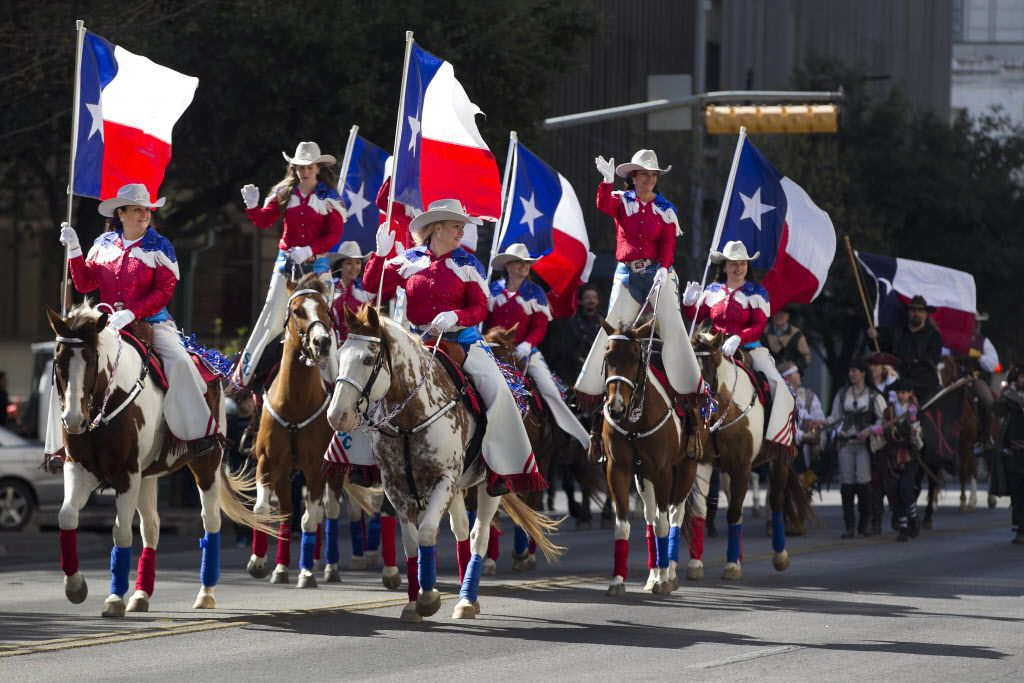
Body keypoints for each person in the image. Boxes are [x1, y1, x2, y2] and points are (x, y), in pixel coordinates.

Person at [364, 198, 543, 494]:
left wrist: (456, 316)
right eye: (456, 226)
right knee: (371, 387)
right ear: (436, 229)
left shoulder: (468, 263)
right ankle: (364, 463)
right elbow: (373, 286)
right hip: (418, 342)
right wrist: (379, 256)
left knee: (499, 391)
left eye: (462, 226)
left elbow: (480, 309)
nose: (461, 231)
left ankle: (502, 469)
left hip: (463, 341)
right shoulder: (409, 259)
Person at [49, 183, 219, 459]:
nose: (145, 214)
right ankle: (59, 446)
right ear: (121, 213)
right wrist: (75, 251)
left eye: (148, 209)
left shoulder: (160, 246)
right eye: (138, 209)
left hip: (152, 323)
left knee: (180, 361)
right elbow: (84, 283)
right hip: (107, 326)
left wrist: (133, 312)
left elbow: (165, 291)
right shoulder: (102, 244)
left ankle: (198, 435)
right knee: (66, 363)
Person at [575, 149, 698, 403]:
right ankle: (592, 391)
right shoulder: (622, 200)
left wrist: (664, 268)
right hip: (628, 273)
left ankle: (689, 391)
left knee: (673, 326)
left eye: (653, 175)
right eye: (644, 174)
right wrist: (607, 182)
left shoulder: (666, 209)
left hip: (657, 271)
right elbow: (603, 204)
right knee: (613, 326)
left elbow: (668, 245)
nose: (649, 179)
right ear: (633, 176)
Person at [234, 141, 344, 387]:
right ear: (294, 168)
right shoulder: (284, 192)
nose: (305, 171)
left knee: (324, 322)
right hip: (286, 265)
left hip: (317, 267)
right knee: (270, 319)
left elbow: (335, 234)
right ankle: (241, 380)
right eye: (300, 167)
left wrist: (310, 250)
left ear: (318, 168)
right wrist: (253, 207)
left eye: (310, 167)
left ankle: (335, 385)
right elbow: (264, 221)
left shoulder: (329, 197)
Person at [683, 241, 797, 458]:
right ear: (724, 266)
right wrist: (689, 303)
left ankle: (776, 440)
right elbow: (695, 317)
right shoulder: (712, 290)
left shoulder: (757, 292)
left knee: (779, 387)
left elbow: (759, 325)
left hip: (749, 348)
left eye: (742, 263)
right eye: (734, 264)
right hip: (713, 348)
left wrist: (738, 337)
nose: (739, 268)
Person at [485, 243, 590, 451]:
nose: (524, 267)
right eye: (519, 262)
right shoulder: (492, 289)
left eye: (527, 263)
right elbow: (485, 320)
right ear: (508, 265)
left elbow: (540, 326)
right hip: (494, 351)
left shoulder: (536, 292)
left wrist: (526, 344)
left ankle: (579, 440)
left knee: (550, 390)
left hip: (526, 351)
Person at [828, 358, 886, 538]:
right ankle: (849, 525)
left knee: (864, 482)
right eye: (850, 371)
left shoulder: (873, 395)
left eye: (855, 371)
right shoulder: (842, 394)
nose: (852, 374)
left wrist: (870, 430)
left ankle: (865, 522)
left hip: (864, 446)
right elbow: (834, 417)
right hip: (846, 442)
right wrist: (822, 424)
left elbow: (885, 419)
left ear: (863, 373)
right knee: (846, 483)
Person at [871, 295, 942, 402]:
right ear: (908, 312)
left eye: (920, 310)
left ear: (926, 314)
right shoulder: (897, 331)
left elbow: (933, 360)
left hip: (920, 380)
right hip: (894, 376)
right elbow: (879, 348)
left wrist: (913, 366)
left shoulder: (933, 336)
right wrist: (873, 336)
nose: (916, 313)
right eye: (913, 310)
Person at [879, 379, 923, 542]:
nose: (901, 395)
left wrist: (913, 422)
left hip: (909, 455)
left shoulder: (913, 409)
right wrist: (873, 431)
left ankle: (913, 517)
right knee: (894, 491)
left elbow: (917, 429)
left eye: (904, 392)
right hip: (892, 455)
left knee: (905, 488)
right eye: (898, 393)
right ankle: (903, 527)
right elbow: (881, 426)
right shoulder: (889, 411)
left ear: (909, 393)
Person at [992, 365, 1024, 544]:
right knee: (1017, 491)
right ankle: (1020, 526)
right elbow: (996, 410)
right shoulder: (1010, 397)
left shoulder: (984, 345)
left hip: (980, 375)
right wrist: (1003, 394)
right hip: (1014, 452)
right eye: (1022, 377)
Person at [547, 284, 601, 386]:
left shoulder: (603, 322)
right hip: (576, 371)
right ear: (581, 301)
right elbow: (567, 350)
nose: (591, 301)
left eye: (594, 298)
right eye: (587, 298)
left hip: (597, 370)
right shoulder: (572, 323)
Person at [778, 361, 825, 475]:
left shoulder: (795, 395)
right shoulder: (781, 396)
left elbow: (801, 414)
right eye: (796, 372)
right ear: (788, 377)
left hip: (798, 450)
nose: (799, 374)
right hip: (784, 451)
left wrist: (812, 423)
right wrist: (803, 436)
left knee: (803, 484)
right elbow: (783, 425)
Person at [329, 241, 375, 343]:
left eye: (358, 263)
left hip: (359, 346)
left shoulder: (365, 290)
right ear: (340, 266)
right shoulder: (330, 289)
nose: (354, 267)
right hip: (333, 346)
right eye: (349, 263)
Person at [969, 312, 999, 447]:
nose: (976, 325)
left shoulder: (984, 342)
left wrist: (979, 356)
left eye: (978, 322)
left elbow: (993, 363)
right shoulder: (958, 338)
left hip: (976, 379)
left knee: (989, 402)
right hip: (956, 377)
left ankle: (985, 438)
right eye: (973, 321)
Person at [763, 306, 812, 373]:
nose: (779, 316)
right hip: (766, 370)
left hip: (789, 372)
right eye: (776, 313)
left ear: (788, 316)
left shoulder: (796, 334)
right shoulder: (763, 332)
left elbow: (805, 356)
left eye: (782, 314)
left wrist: (795, 366)